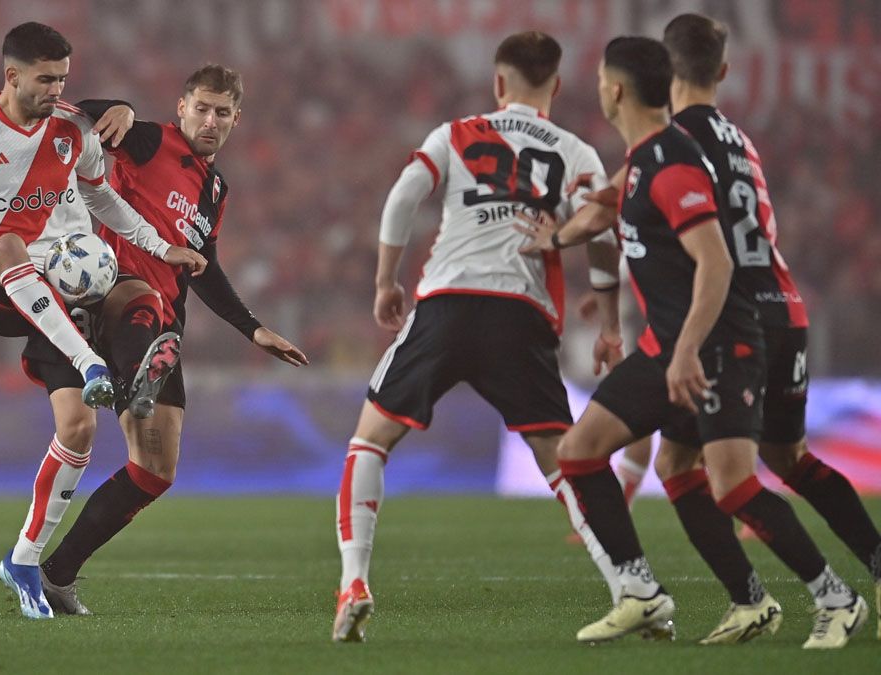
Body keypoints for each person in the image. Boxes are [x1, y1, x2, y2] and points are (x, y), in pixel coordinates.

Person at [519, 35, 865, 648]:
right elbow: (604, 212)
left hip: (716, 344)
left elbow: (716, 261)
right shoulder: (650, 157)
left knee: (735, 485)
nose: (596, 89)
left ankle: (837, 599)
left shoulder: (673, 159)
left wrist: (685, 352)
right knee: (589, 451)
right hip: (671, 344)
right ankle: (655, 594)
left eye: (599, 80)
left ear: (616, 90)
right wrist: (554, 239)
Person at [0, 22, 206, 620]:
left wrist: (163, 248)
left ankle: (26, 560)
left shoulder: (73, 130)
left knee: (127, 324)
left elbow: (103, 198)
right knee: (7, 244)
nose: (58, 89)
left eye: (63, 78)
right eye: (46, 79)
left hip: (65, 292)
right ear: (12, 76)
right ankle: (96, 366)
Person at [329, 31, 626, 643]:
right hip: (521, 311)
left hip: (448, 301)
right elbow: (601, 231)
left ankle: (354, 582)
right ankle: (629, 588)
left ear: (498, 83)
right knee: (563, 461)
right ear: (556, 85)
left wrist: (386, 281)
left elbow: (403, 196)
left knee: (370, 440)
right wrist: (611, 321)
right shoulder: (576, 151)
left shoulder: (456, 133)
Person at [35, 64, 309, 616]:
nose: (210, 121)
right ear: (182, 108)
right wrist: (120, 106)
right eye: (201, 109)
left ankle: (56, 575)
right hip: (115, 299)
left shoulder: (215, 190)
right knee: (139, 317)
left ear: (236, 119)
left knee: (155, 470)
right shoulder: (150, 141)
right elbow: (79, 113)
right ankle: (136, 369)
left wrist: (252, 328)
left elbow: (203, 266)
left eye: (222, 113)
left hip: (166, 322)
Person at [656, 12, 879, 645]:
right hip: (787, 307)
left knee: (720, 475)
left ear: (666, 72)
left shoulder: (673, 141)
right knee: (784, 457)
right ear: (723, 70)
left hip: (735, 319)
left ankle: (813, 598)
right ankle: (863, 565)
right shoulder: (742, 140)